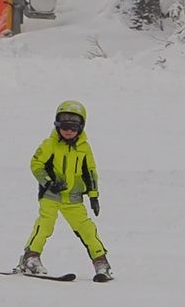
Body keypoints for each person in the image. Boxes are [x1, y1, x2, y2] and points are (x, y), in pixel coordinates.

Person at [14, 100, 112, 281]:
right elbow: (36, 165)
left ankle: (101, 262)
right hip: (51, 194)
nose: (68, 131)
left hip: (73, 197)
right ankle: (31, 258)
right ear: (57, 125)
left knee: (86, 228)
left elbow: (90, 173)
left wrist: (93, 196)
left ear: (81, 128)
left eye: (73, 127)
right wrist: (48, 182)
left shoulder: (84, 148)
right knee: (45, 224)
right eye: (64, 126)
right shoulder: (49, 144)